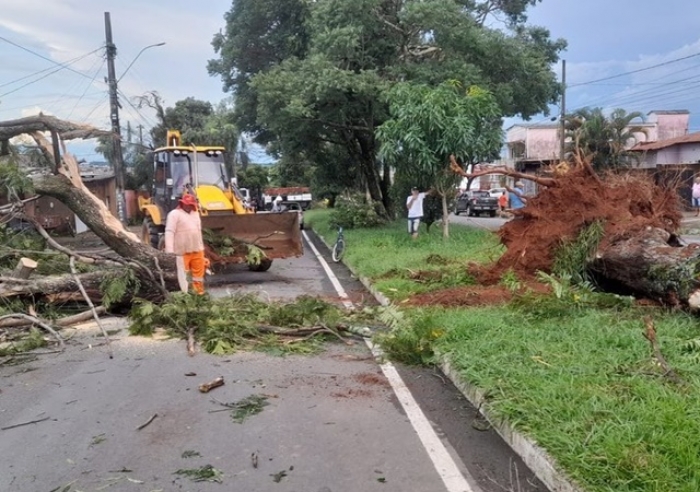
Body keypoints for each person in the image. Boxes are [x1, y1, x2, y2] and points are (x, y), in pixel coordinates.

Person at [164, 194, 206, 295]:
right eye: (186, 204)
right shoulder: (174, 214)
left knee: (198, 275)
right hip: (182, 251)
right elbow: (169, 232)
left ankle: (199, 293)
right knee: (183, 275)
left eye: (190, 205)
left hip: (197, 249)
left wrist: (202, 246)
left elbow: (198, 231)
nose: (188, 206)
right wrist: (170, 251)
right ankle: (185, 295)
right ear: (182, 204)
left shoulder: (195, 214)